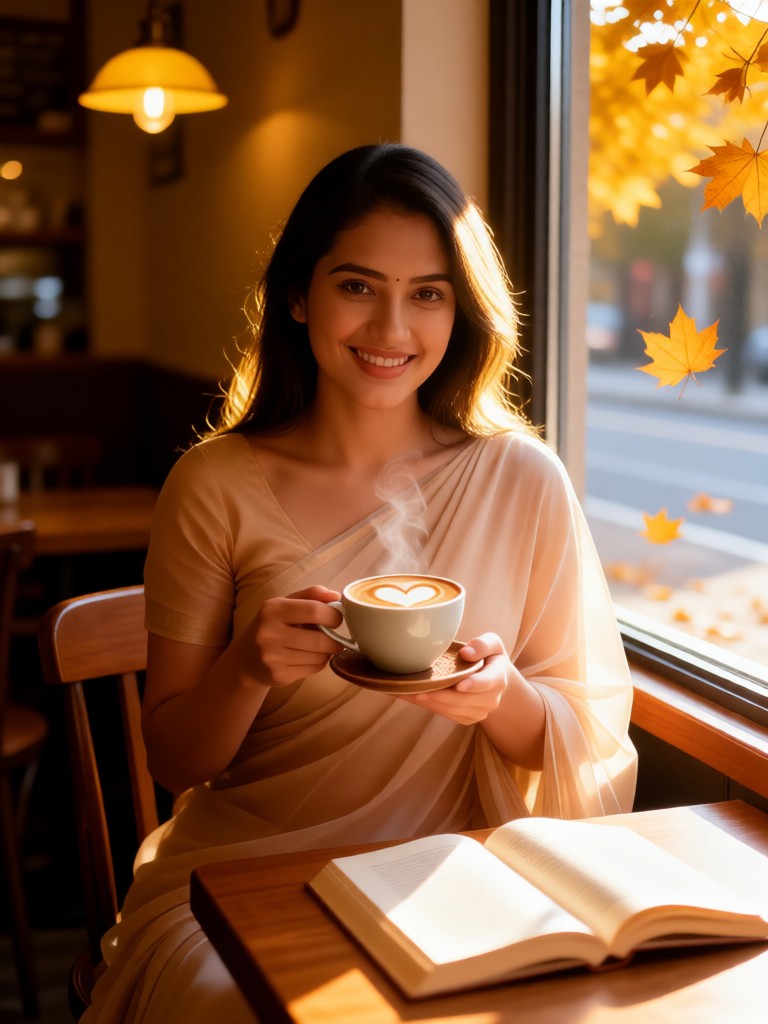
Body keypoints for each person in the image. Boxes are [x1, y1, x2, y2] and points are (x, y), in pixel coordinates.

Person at [83, 143, 637, 1022]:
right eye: (357, 286)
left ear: (461, 312)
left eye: (427, 294)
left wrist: (498, 696)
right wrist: (248, 666)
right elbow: (177, 758)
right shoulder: (214, 483)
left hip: (450, 875)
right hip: (244, 877)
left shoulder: (522, 478)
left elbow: (581, 733)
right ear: (298, 296)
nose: (391, 330)